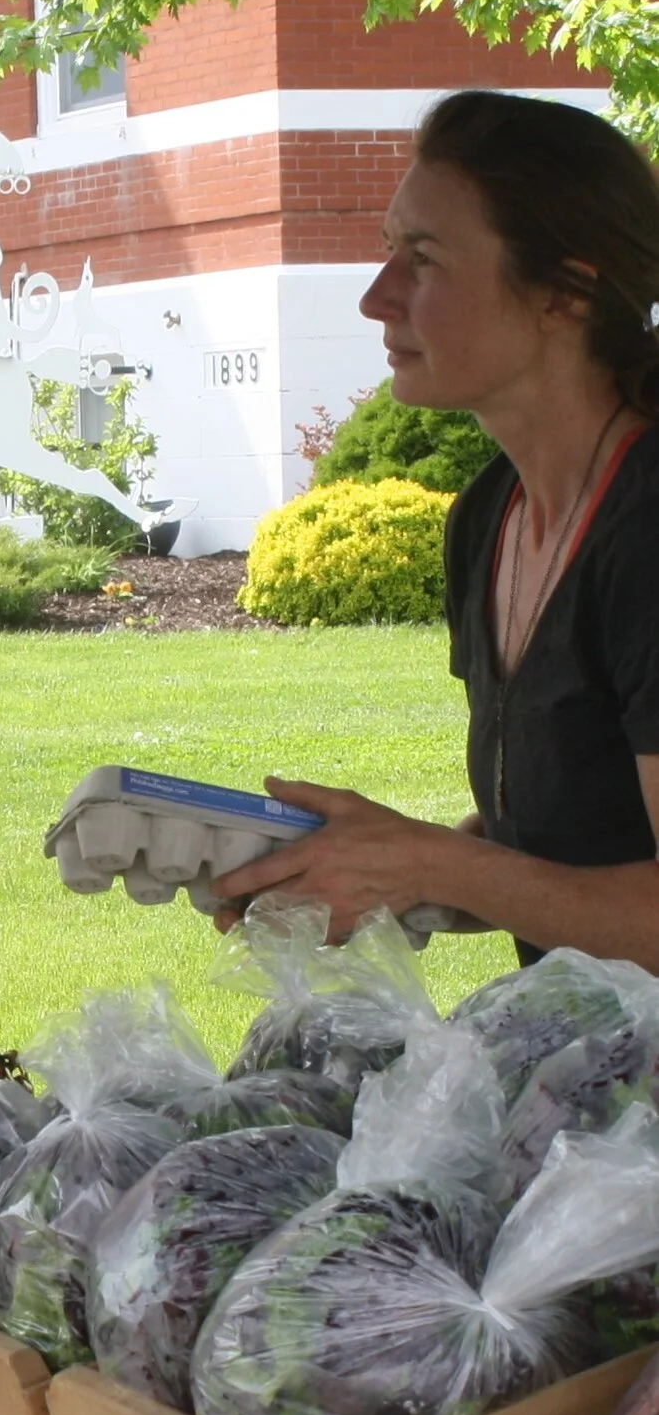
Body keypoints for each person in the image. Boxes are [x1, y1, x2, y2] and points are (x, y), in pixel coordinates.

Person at [216, 92, 659, 971]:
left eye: (422, 259)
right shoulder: (490, 518)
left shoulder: (646, 526)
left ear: (564, 294)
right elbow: (563, 844)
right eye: (389, 252)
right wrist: (374, 877)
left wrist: (430, 862)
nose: (377, 298)